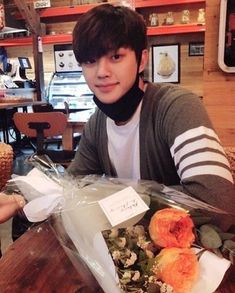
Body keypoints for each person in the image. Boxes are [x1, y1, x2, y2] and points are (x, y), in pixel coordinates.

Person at [68, 4, 235, 228]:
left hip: (188, 254)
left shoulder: (177, 107)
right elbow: (72, 187)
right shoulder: (97, 123)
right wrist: (22, 199)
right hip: (127, 254)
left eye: (116, 56)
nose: (101, 72)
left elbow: (218, 205)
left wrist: (119, 205)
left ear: (142, 60)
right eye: (90, 61)